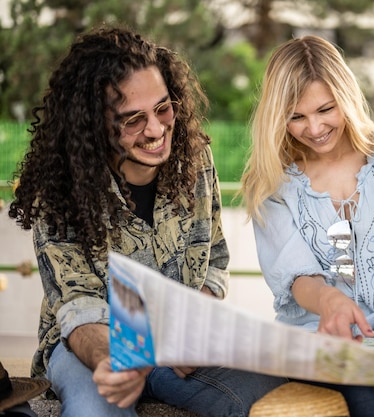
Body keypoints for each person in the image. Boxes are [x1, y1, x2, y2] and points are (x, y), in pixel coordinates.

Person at [7, 26, 286, 417]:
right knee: (95, 411)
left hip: (176, 340)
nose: (156, 130)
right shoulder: (60, 189)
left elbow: (215, 263)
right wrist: (109, 360)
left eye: (162, 108)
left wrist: (189, 328)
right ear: (94, 125)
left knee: (271, 398)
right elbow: (78, 306)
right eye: (132, 119)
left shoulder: (196, 159)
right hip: (91, 344)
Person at [239, 35, 374, 417]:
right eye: (296, 117)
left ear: (346, 96)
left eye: (325, 109)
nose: (314, 128)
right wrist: (332, 302)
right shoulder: (270, 180)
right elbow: (299, 279)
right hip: (317, 338)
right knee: (373, 403)